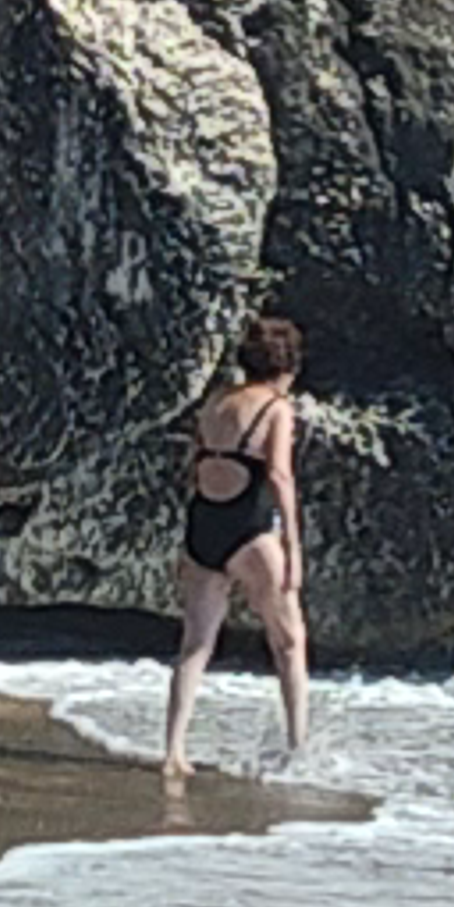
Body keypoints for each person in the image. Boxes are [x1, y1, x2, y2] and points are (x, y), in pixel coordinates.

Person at [161, 311, 309, 780]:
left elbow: (194, 463)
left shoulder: (216, 401)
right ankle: (297, 747)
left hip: (204, 521)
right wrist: (293, 543)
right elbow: (281, 474)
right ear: (288, 368)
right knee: (288, 641)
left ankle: (173, 751)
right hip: (251, 527)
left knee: (195, 644)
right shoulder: (277, 409)